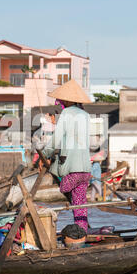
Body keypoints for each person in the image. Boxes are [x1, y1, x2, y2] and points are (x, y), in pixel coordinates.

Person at [41, 79, 92, 231]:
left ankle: (79, 227)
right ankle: (82, 229)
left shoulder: (67, 113)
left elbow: (57, 138)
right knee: (80, 203)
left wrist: (45, 153)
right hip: (85, 169)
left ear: (67, 100)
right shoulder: (85, 115)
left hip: (72, 169)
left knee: (64, 187)